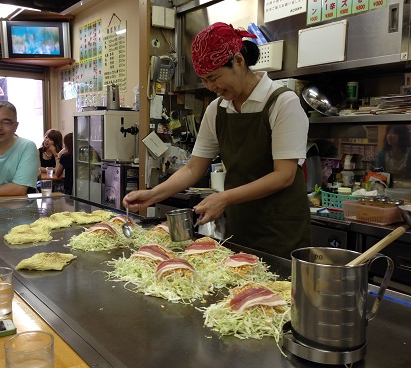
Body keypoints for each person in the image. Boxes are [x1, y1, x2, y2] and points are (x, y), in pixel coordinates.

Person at [124, 22, 311, 259]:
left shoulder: (283, 103)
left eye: (214, 77)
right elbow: (193, 168)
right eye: (204, 80)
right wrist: (153, 194)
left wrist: (224, 197)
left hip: (282, 230)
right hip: (240, 226)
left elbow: (283, 175)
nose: (211, 87)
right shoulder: (217, 109)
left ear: (239, 61)